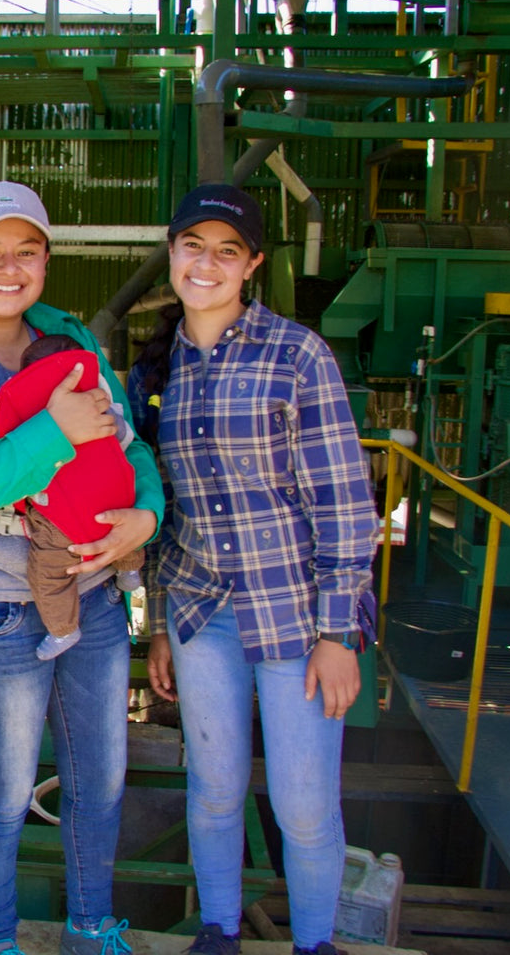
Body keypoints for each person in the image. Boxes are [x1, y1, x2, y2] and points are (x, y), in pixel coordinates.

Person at [0, 181, 165, 955]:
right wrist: (52, 431)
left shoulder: (70, 338)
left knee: (99, 784)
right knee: (6, 793)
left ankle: (90, 927)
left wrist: (147, 513)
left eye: (25, 251)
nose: (7, 268)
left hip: (97, 599)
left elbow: (131, 446)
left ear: (46, 261)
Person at [126, 183, 380, 955]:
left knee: (304, 804)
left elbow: (346, 504)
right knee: (214, 790)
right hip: (203, 612)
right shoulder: (157, 368)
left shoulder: (297, 356)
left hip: (298, 617)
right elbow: (164, 510)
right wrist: (163, 624)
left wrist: (340, 631)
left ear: (253, 265)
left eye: (226, 251)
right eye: (192, 246)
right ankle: (218, 931)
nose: (206, 263)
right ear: (172, 254)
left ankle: (314, 943)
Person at [0, 331, 145, 660]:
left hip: (64, 518)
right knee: (125, 526)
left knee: (49, 573)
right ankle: (130, 569)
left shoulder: (21, 397)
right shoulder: (96, 389)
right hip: (114, 496)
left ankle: (63, 629)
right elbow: (126, 435)